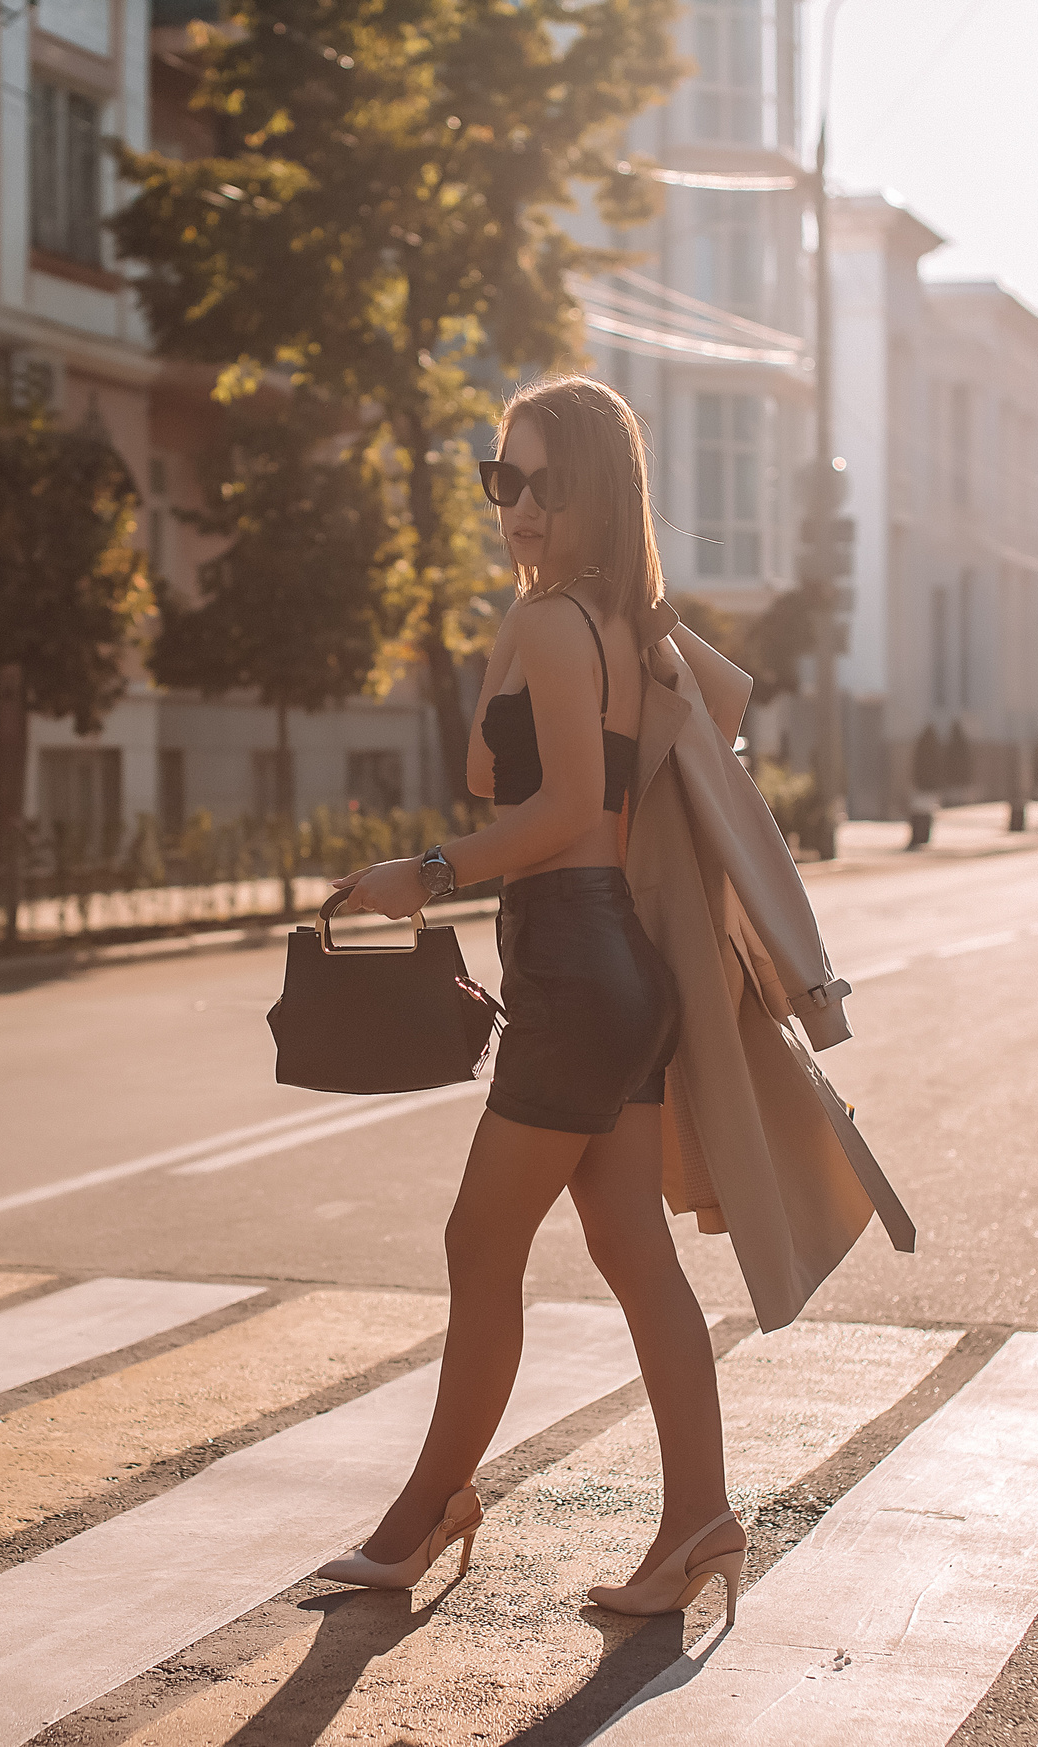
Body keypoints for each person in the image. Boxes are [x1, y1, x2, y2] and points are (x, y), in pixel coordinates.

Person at [319, 376, 744, 1621]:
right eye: (503, 479)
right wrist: (537, 618)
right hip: (615, 969)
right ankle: (699, 1517)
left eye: (548, 484)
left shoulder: (558, 625)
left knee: (479, 1241)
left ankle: (425, 1511)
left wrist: (425, 875)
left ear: (599, 494)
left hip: (573, 968)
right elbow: (513, 769)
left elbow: (555, 809)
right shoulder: (611, 626)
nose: (519, 506)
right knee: (629, 1250)